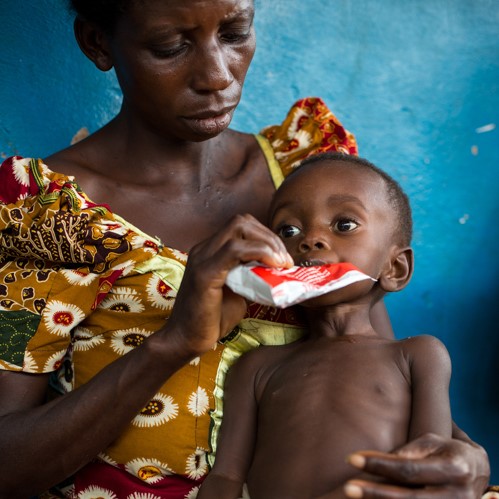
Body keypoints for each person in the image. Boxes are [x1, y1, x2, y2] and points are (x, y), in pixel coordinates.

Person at [0, 1, 490, 498]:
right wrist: (175, 342)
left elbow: (373, 370)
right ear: (97, 43)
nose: (216, 76)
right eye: (170, 46)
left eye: (235, 32)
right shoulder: (41, 216)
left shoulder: (305, 179)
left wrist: (461, 459)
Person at [198, 152, 452, 499]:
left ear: (395, 269)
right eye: (288, 230)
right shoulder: (257, 367)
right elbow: (225, 477)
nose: (310, 240)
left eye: (344, 225)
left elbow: (430, 466)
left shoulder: (418, 355)